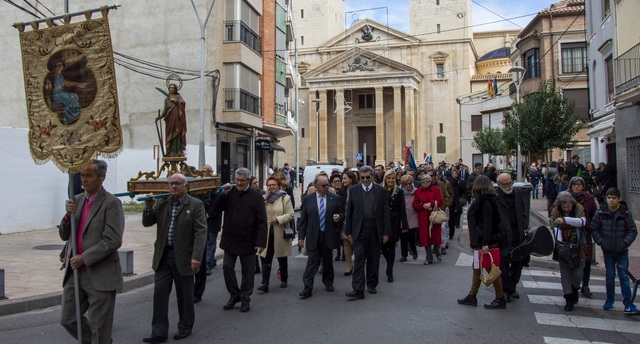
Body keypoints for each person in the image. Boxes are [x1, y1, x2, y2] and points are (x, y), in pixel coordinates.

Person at [59, 159, 124, 344]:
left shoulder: (112, 203)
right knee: (68, 319)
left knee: (99, 325)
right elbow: (65, 235)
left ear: (102, 177)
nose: (84, 180)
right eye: (82, 175)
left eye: (89, 175)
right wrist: (66, 216)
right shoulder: (77, 200)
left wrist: (85, 257)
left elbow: (113, 240)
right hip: (75, 272)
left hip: (100, 273)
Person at [142, 173, 206, 343]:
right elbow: (148, 222)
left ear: (185, 185)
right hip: (164, 255)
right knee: (159, 294)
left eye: (178, 183)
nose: (174, 187)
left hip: (184, 257)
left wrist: (196, 256)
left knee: (184, 295)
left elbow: (201, 233)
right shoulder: (163, 202)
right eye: (171, 184)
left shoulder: (195, 205)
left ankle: (185, 326)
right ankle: (159, 331)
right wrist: (149, 206)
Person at [214, 168, 267, 313]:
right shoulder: (229, 193)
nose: (239, 183)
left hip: (248, 240)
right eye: (237, 180)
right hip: (230, 239)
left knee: (248, 272)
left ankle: (245, 297)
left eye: (242, 181)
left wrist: (261, 242)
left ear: (249, 181)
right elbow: (216, 209)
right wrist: (222, 196)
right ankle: (234, 294)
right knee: (227, 267)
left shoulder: (256, 197)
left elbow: (262, 221)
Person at [457, 175, 506, 309]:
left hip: (486, 242)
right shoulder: (486, 200)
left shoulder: (485, 202)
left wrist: (485, 243)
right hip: (483, 241)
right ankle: (472, 295)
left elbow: (487, 223)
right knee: (477, 267)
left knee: (491, 270)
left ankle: (500, 297)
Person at [345, 166, 391, 299]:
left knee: (373, 259)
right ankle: (358, 289)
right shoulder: (354, 190)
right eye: (363, 177)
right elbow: (350, 212)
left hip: (375, 230)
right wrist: (349, 231)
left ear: (372, 177)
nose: (365, 180)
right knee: (358, 259)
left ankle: (372, 284)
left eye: (368, 177)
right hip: (359, 230)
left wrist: (386, 232)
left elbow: (385, 212)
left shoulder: (380, 191)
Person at [591, 188, 639, 314]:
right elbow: (594, 229)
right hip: (608, 250)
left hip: (622, 249)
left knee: (623, 276)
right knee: (610, 275)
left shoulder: (625, 213)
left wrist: (624, 243)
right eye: (609, 197)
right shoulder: (601, 212)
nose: (611, 200)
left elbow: (632, 231)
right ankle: (609, 299)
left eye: (614, 198)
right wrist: (602, 242)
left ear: (619, 199)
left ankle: (628, 302)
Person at [298, 175, 344, 298]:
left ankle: (328, 282)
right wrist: (301, 237)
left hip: (328, 234)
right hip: (313, 234)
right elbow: (303, 220)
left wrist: (339, 217)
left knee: (328, 261)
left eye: (327, 185)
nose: (326, 187)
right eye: (323, 186)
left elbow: (342, 213)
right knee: (312, 262)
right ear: (316, 187)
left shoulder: (334, 198)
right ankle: (307, 287)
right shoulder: (308, 199)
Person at [549, 191, 586, 312]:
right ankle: (568, 297)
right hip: (564, 244)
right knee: (565, 273)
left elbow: (582, 222)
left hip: (579, 244)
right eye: (564, 207)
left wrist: (565, 220)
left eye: (568, 206)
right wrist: (561, 246)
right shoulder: (555, 211)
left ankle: (575, 288)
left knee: (578, 272)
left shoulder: (579, 208)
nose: (566, 209)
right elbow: (555, 228)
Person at [257, 176, 294, 292]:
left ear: (278, 185)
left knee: (281, 258)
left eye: (273, 185)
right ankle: (265, 283)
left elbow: (290, 214)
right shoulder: (263, 198)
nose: (271, 187)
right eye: (269, 185)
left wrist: (278, 219)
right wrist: (265, 197)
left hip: (279, 232)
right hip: (266, 233)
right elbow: (257, 211)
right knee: (265, 259)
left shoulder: (285, 198)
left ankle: (284, 279)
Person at [495, 173, 528, 303]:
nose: (509, 186)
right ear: (499, 185)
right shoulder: (495, 196)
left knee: (518, 262)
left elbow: (524, 210)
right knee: (503, 263)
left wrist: (525, 226)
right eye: (505, 184)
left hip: (517, 232)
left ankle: (512, 286)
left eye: (510, 183)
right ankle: (506, 289)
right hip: (502, 234)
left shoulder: (518, 193)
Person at [567, 177, 599, 299]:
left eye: (579, 184)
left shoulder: (589, 199)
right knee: (570, 260)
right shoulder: (565, 197)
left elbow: (594, 216)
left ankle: (585, 284)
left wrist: (590, 227)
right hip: (569, 234)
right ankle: (571, 285)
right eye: (574, 184)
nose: (576, 187)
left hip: (584, 234)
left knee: (586, 260)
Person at [381, 170, 408, 282]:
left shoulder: (399, 192)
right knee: (382, 246)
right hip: (382, 222)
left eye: (392, 178)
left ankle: (390, 270)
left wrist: (405, 224)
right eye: (389, 178)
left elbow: (402, 209)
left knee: (391, 247)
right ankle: (388, 263)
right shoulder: (380, 190)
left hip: (393, 222)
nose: (391, 180)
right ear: (385, 179)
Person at [413, 172, 444, 264]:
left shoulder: (436, 189)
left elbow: (440, 201)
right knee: (425, 237)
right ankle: (428, 257)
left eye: (427, 181)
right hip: (423, 216)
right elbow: (415, 203)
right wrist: (423, 205)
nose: (425, 183)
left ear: (430, 181)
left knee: (435, 236)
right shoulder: (418, 191)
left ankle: (437, 251)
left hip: (433, 216)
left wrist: (431, 203)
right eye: (423, 182)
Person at [52, 59, 85, 125]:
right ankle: (69, 118)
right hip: (57, 95)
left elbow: (66, 83)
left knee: (75, 96)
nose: (60, 66)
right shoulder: (56, 75)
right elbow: (66, 84)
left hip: (61, 93)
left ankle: (75, 115)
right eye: (58, 65)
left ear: (63, 66)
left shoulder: (60, 75)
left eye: (61, 65)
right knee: (72, 97)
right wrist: (78, 84)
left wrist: (77, 83)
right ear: (55, 67)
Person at [338, 171, 359, 275]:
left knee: (356, 242)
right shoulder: (342, 192)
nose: (343, 181)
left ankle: (359, 264)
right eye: (343, 178)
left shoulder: (358, 190)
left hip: (356, 220)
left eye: (345, 178)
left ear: (351, 179)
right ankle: (349, 265)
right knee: (346, 242)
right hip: (345, 219)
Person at [159, 83, 187, 157]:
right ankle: (169, 151)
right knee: (169, 134)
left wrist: (175, 101)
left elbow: (183, 103)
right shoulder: (166, 100)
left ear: (175, 89)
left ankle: (177, 151)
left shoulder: (178, 97)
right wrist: (160, 117)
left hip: (177, 119)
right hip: (169, 119)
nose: (171, 89)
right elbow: (165, 110)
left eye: (173, 88)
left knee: (177, 134)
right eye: (170, 88)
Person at [399, 174, 419, 262]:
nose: (408, 185)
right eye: (406, 184)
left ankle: (414, 251)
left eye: (409, 183)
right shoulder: (399, 192)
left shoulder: (416, 192)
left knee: (411, 236)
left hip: (413, 216)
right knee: (403, 238)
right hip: (402, 218)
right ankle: (404, 255)